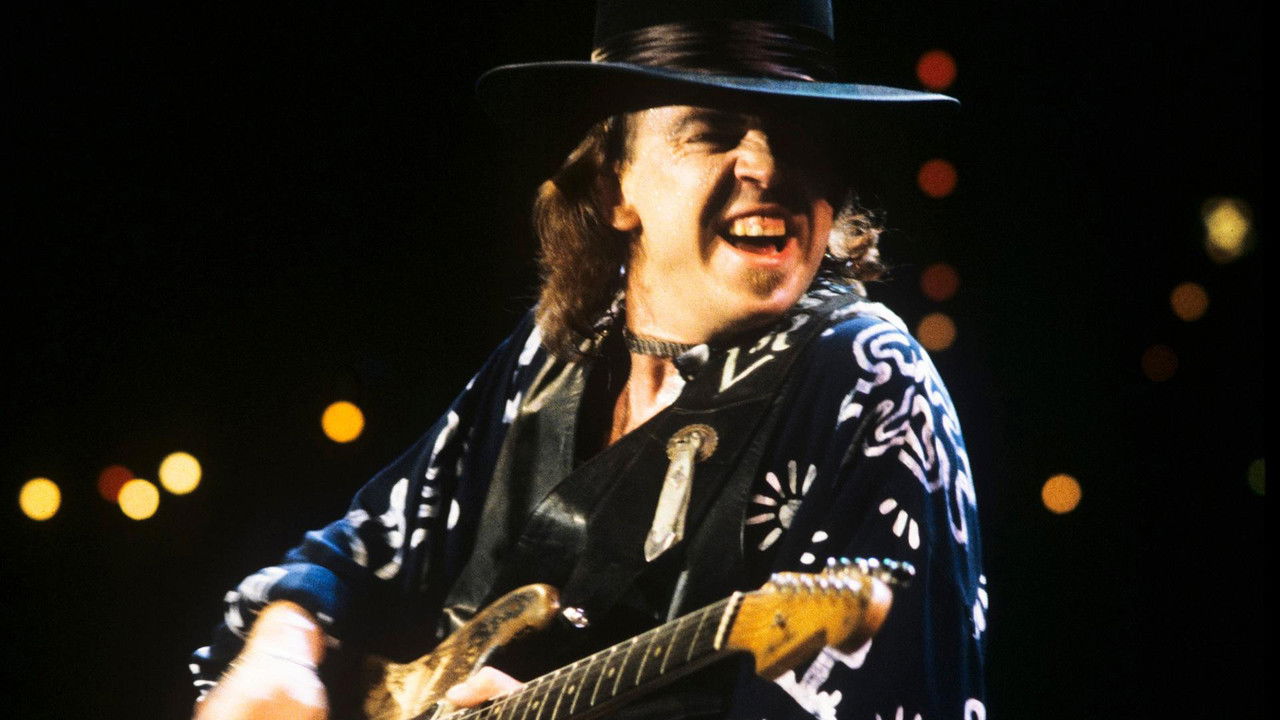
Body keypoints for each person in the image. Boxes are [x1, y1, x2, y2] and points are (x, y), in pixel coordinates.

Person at [190, 2, 987, 719]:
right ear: (614, 186)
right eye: (713, 130)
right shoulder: (554, 356)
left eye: (801, 134)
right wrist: (282, 649)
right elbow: (362, 551)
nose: (769, 167)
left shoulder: (868, 379)